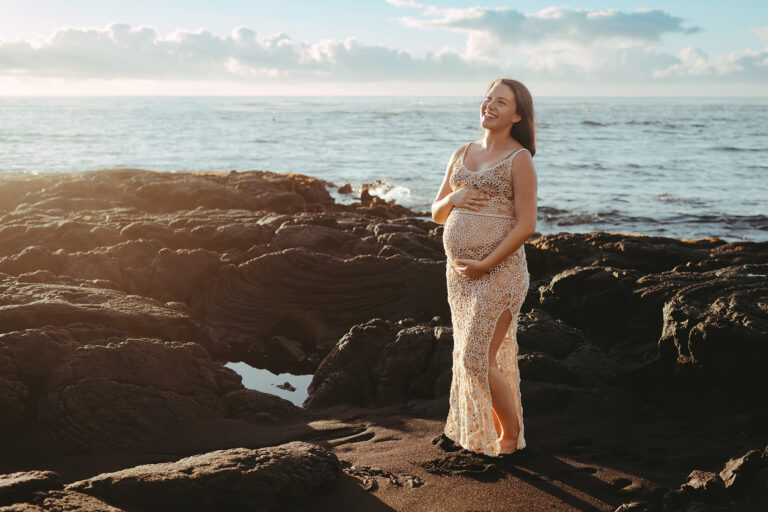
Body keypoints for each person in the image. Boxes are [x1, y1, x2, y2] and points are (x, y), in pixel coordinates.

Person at [431, 78, 538, 457]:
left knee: (475, 358)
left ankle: (511, 437)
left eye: (502, 102)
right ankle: (493, 428)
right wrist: (455, 197)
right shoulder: (462, 152)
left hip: (500, 272)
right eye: (488, 98)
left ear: (517, 114)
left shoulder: (519, 158)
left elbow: (526, 225)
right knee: (472, 356)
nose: (489, 105)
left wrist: (485, 263)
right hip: (460, 276)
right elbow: (436, 212)